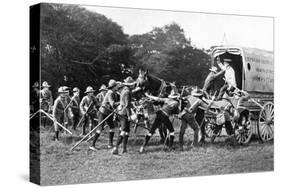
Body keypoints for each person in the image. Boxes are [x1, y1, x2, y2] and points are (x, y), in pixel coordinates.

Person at [89, 80, 119, 151]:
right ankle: (92, 145)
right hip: (102, 112)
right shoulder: (110, 93)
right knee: (100, 129)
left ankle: (110, 144)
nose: (117, 87)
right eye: (116, 86)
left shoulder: (114, 93)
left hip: (108, 112)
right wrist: (121, 103)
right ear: (113, 86)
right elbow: (113, 104)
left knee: (112, 127)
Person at [112, 77, 135, 155]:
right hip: (124, 113)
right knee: (123, 131)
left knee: (127, 131)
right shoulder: (127, 91)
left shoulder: (123, 91)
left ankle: (124, 148)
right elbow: (127, 105)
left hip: (121, 112)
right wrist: (129, 116)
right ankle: (116, 147)